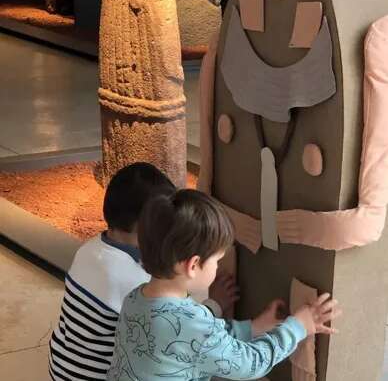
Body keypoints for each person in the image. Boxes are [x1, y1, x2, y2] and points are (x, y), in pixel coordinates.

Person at [107, 189, 342, 381]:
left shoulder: (135, 300)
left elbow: (202, 340)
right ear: (193, 265)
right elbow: (250, 364)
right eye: (217, 261)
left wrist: (254, 327)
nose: (218, 266)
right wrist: (298, 326)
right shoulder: (190, 323)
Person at [48, 163, 237, 380]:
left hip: (61, 368)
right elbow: (179, 328)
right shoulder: (133, 281)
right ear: (145, 226)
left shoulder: (89, 249)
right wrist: (215, 306)